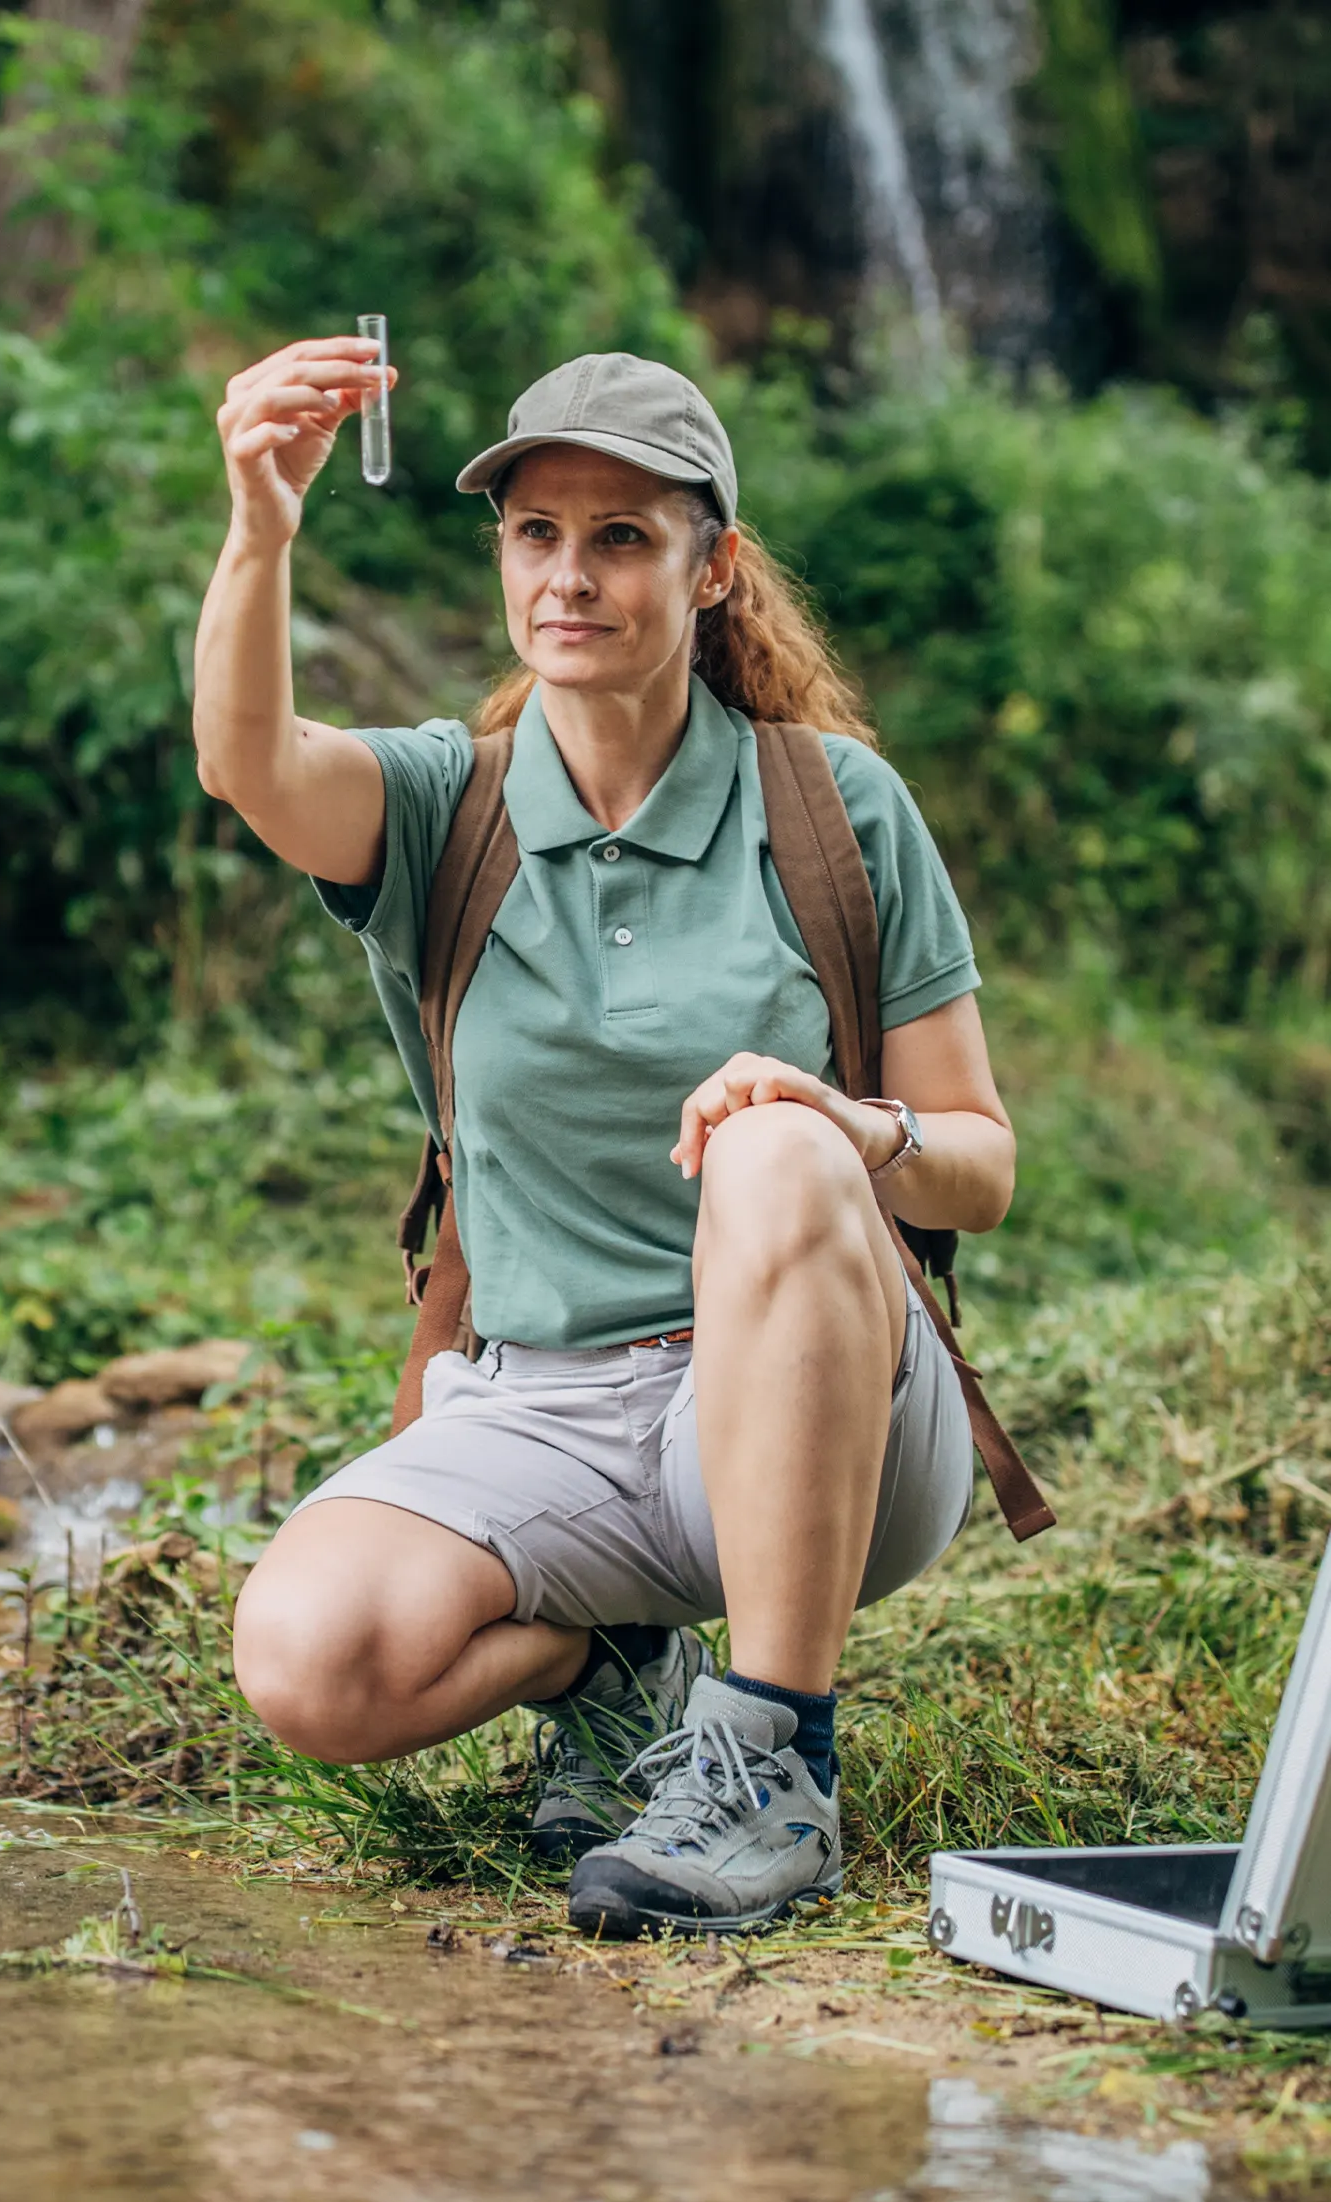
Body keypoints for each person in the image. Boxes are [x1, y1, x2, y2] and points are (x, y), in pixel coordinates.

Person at [194, 339, 1015, 1937]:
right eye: (537, 535)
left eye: (622, 537)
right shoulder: (452, 810)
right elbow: (249, 765)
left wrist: (846, 1126)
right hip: (545, 1412)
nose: (570, 576)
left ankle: (774, 1764)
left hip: (823, 1420)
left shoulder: (835, 809)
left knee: (775, 1144)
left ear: (712, 569)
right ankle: (619, 1665)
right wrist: (259, 523)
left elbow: (982, 1156)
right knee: (309, 1661)